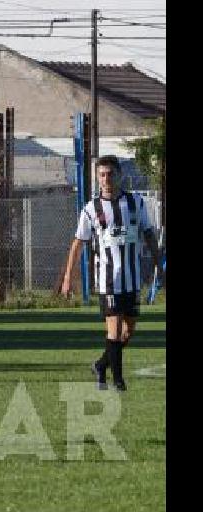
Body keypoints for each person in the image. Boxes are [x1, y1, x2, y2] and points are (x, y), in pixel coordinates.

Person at [61, 155, 163, 391]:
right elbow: (78, 244)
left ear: (120, 175)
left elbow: (148, 233)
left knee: (128, 332)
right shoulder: (90, 209)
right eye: (102, 175)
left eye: (110, 174)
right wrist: (68, 276)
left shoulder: (136, 203)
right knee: (114, 329)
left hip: (132, 278)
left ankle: (101, 364)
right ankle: (117, 380)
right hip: (108, 280)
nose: (106, 179)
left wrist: (159, 264)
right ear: (98, 179)